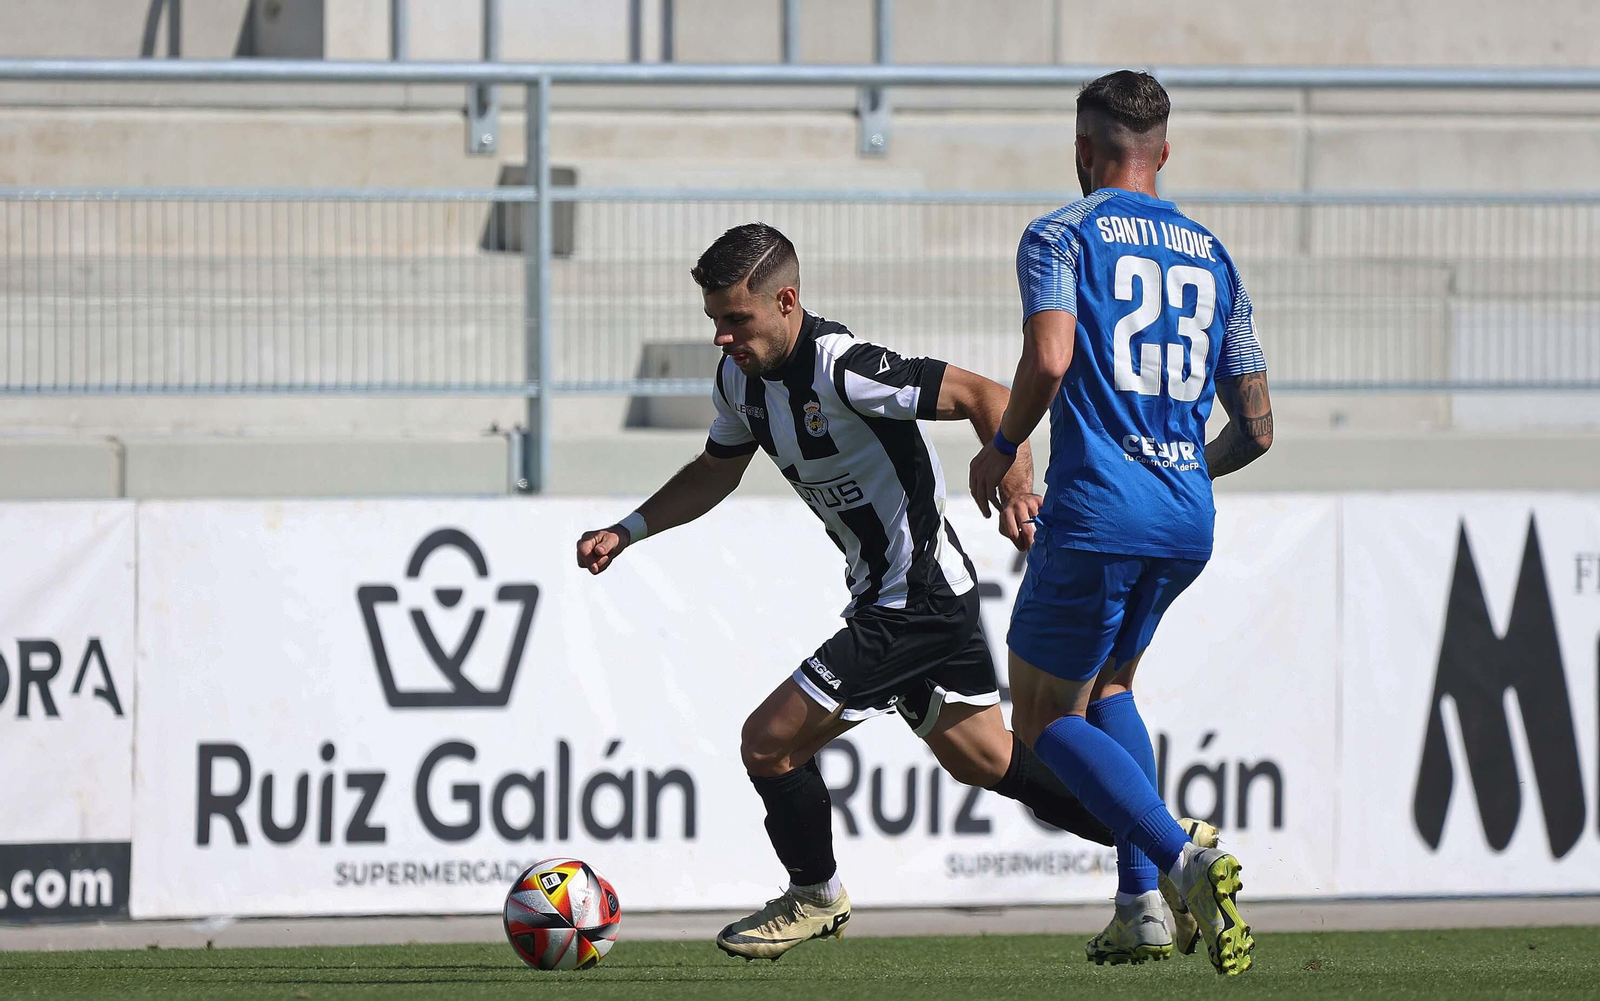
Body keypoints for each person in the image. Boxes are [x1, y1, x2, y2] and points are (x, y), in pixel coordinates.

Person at [576, 222, 1118, 962]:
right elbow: (715, 470)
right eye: (713, 321)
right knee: (987, 761)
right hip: (909, 597)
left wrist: (1015, 478)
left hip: (913, 600)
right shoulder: (740, 384)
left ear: (786, 300)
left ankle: (814, 895)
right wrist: (629, 529)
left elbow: (985, 394)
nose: (721, 338)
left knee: (767, 743)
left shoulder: (844, 367)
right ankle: (1165, 847)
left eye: (735, 318)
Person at [969, 70, 1274, 977]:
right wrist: (1180, 468)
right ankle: (1137, 905)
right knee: (1111, 689)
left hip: (1099, 510)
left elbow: (1051, 356)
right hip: (1186, 519)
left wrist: (1005, 442)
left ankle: (1181, 860)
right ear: (1164, 154)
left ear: (1081, 151)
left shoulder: (1060, 233)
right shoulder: (1214, 254)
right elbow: (1257, 428)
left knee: (1035, 717)